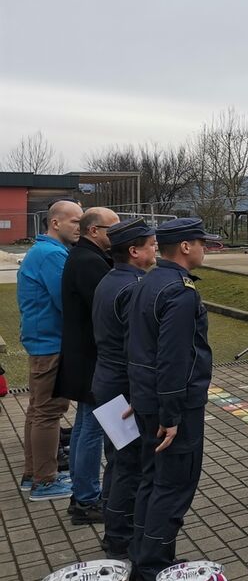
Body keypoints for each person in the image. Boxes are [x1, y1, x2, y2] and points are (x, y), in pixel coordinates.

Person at [128, 218, 218, 581]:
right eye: (201, 242)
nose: (204, 248)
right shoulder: (180, 292)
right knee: (174, 486)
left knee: (152, 480)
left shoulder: (148, 282)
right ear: (184, 246)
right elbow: (173, 358)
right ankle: (152, 566)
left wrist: (140, 394)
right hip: (173, 406)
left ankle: (143, 554)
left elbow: (137, 345)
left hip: (147, 398)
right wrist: (171, 414)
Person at [91, 218, 158, 560]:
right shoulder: (132, 288)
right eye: (151, 245)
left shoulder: (110, 279)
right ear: (134, 251)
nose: (155, 249)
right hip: (123, 388)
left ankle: (115, 529)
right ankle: (121, 539)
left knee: (118, 461)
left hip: (107, 381)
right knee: (130, 465)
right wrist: (142, 394)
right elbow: (138, 348)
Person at [56, 205, 119, 523]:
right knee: (92, 430)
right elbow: (108, 309)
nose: (118, 234)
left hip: (84, 358)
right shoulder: (88, 262)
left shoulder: (85, 256)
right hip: (93, 360)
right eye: (113, 229)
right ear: (94, 231)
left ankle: (81, 495)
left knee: (84, 428)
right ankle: (86, 499)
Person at [18, 199, 82, 501]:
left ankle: (33, 474)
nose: (80, 227)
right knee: (48, 412)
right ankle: (45, 482)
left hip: (43, 342)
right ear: (55, 223)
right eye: (75, 221)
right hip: (50, 344)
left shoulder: (45, 251)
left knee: (38, 410)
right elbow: (67, 300)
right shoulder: (51, 254)